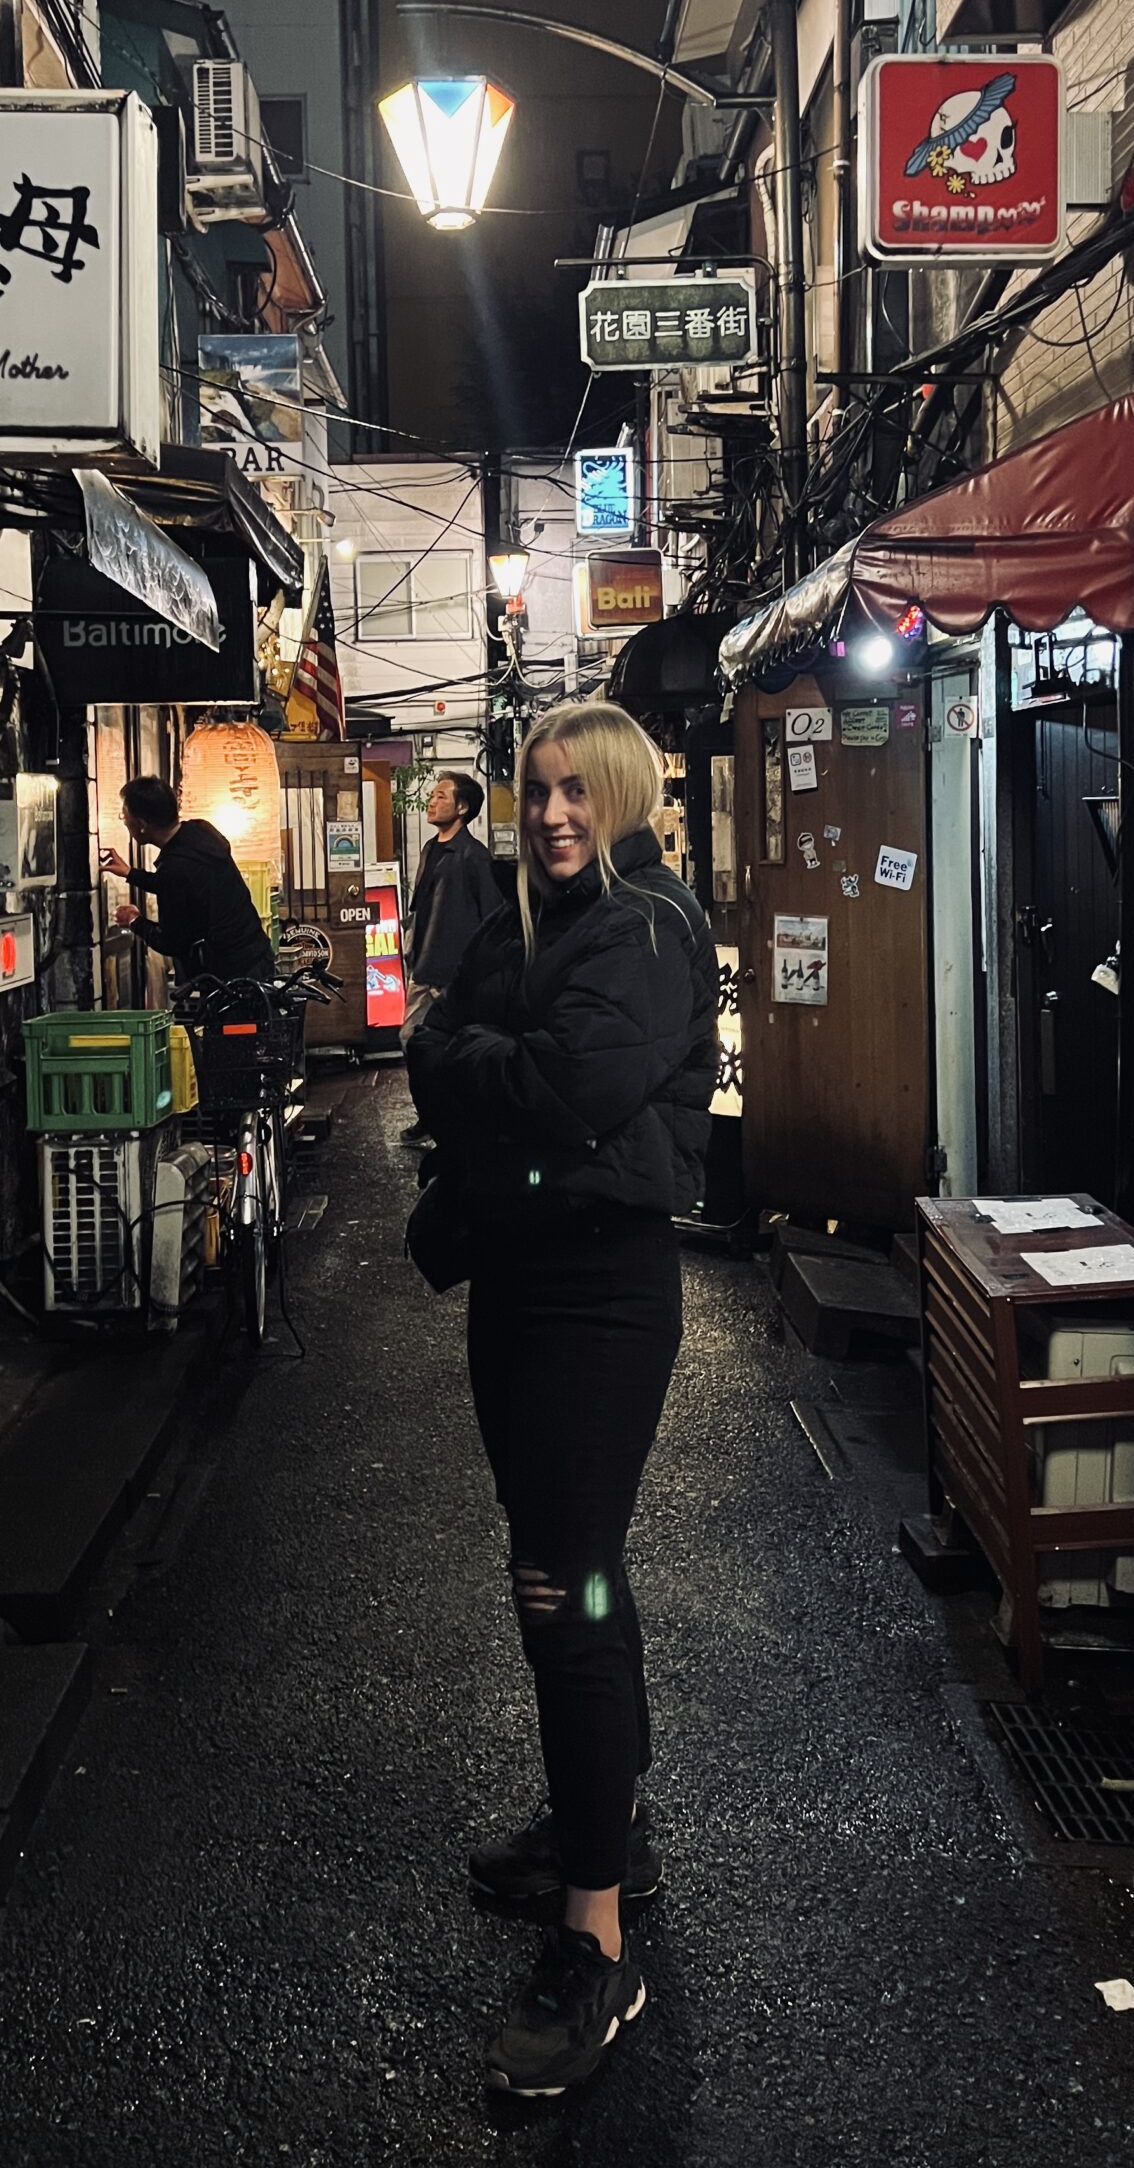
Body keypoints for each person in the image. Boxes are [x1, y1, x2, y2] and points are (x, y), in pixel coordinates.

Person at [406, 702, 717, 2099]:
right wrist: (472, 1064)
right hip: (523, 1284)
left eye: (577, 789)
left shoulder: (645, 927)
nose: (551, 813)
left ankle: (597, 1938)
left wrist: (467, 1064)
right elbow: (446, 1038)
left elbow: (554, 1084)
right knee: (568, 1570)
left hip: (599, 1296)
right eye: (535, 790)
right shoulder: (535, 918)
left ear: (627, 795)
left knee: (564, 1582)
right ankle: (608, 1822)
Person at [398, 768, 499, 1146]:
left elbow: (492, 919)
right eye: (432, 795)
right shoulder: (430, 849)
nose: (432, 801)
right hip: (424, 967)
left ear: (462, 807)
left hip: (456, 975)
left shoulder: (475, 856)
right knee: (412, 1041)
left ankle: (458, 1123)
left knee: (454, 1048)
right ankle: (431, 1116)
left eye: (441, 796)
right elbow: (421, 907)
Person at [100, 774, 275, 985]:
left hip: (231, 977)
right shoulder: (201, 831)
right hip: (256, 955)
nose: (125, 821)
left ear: (142, 824)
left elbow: (171, 942)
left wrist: (134, 920)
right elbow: (183, 886)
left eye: (124, 816)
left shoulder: (174, 869)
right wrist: (130, 873)